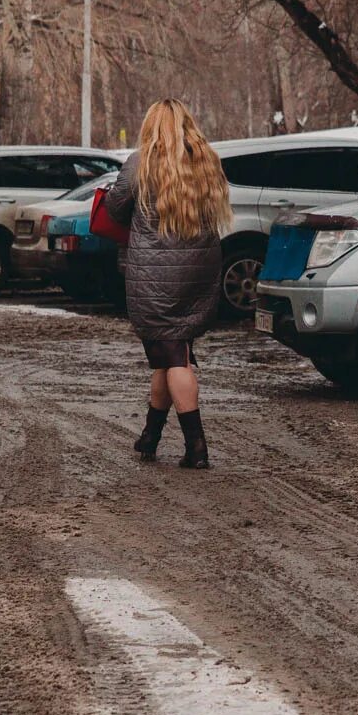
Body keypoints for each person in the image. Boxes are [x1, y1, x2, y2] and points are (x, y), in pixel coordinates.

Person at [103, 99, 230, 468]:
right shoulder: (207, 160)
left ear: (152, 125)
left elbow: (115, 208)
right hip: (199, 268)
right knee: (172, 352)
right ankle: (150, 437)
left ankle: (197, 447)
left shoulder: (141, 162)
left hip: (156, 272)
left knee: (174, 357)